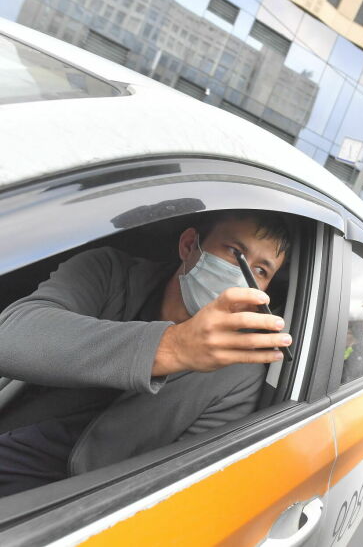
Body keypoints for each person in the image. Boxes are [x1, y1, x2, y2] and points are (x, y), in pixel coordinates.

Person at [0, 209, 292, 496]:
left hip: (60, 502)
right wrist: (170, 346)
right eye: (234, 252)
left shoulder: (238, 374)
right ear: (189, 245)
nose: (242, 277)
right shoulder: (108, 271)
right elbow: (10, 336)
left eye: (260, 271)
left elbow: (173, 485)